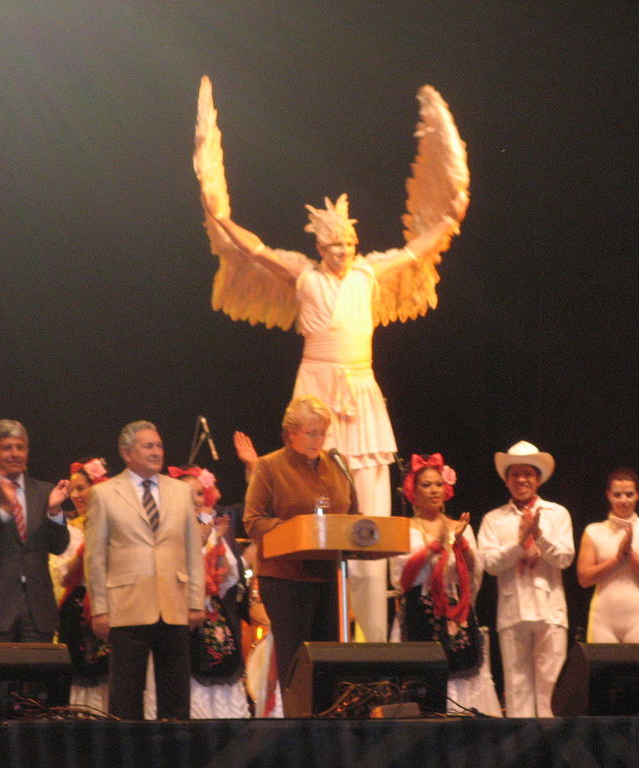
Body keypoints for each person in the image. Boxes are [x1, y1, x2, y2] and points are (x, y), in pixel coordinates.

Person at [195, 76, 468, 643]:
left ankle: (371, 621)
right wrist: (219, 215)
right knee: (310, 480)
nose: (342, 251)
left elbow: (417, 249)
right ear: (320, 246)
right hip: (317, 380)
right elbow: (255, 250)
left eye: (347, 242)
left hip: (360, 385)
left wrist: (449, 215)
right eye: (333, 244)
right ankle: (314, 610)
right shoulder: (304, 273)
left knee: (366, 492)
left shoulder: (369, 273)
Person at [84, 421, 205, 720]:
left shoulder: (180, 491)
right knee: (125, 697)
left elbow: (192, 550)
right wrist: (99, 608)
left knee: (176, 696)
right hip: (126, 605)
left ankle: (176, 752)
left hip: (174, 603)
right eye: (148, 446)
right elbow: (95, 557)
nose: (156, 451)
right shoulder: (104, 494)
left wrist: (195, 601)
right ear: (127, 453)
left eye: (159, 445)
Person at [244, 395, 353, 689]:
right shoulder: (269, 466)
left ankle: (330, 725)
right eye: (311, 432)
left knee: (332, 665)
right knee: (298, 665)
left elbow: (354, 519)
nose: (318, 440)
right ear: (291, 432)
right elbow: (253, 521)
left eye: (322, 433)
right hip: (286, 580)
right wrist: (297, 532)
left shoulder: (338, 466)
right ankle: (297, 726)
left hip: (332, 577)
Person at [389, 453, 502, 717]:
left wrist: (460, 544)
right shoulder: (404, 528)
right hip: (419, 612)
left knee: (463, 674)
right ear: (412, 491)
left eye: (438, 484)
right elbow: (402, 578)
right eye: (426, 485)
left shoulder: (459, 526)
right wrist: (435, 546)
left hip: (456, 614)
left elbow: (475, 574)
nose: (434, 490)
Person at [477, 440, 575, 718]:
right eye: (515, 474)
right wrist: (519, 544)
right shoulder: (493, 519)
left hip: (550, 610)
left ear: (538, 478)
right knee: (517, 688)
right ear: (507, 480)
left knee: (551, 689)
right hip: (512, 611)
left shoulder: (557, 514)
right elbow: (490, 564)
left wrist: (539, 537)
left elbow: (565, 558)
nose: (521, 479)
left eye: (528, 474)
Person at [0, 420, 70, 642]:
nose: (15, 454)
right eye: (7, 447)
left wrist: (54, 512)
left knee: (38, 676)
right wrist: (4, 512)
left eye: (21, 447)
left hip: (37, 610)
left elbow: (59, 546)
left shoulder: (45, 492)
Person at [173, 467, 250, 719]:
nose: (195, 498)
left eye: (198, 493)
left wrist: (223, 568)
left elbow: (230, 579)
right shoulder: (169, 531)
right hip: (182, 618)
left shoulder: (217, 532)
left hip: (215, 617)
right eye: (187, 493)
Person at [49, 457, 110, 713]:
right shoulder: (69, 530)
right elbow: (60, 575)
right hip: (76, 609)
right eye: (72, 489)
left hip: (110, 606)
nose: (75, 495)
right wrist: (84, 554)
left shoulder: (114, 525)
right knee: (79, 674)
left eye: (82, 487)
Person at [577, 468, 639, 643]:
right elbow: (584, 579)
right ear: (608, 495)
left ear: (638, 494)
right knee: (604, 670)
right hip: (602, 618)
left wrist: (630, 554)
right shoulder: (593, 531)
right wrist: (617, 559)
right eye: (617, 495)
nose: (624, 500)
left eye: (629, 494)